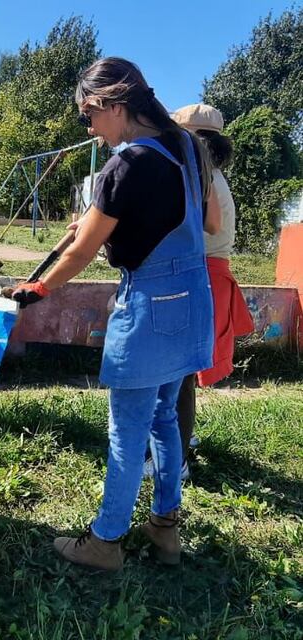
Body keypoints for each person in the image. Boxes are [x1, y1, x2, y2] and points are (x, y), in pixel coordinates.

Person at [11, 57, 221, 570]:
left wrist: (38, 289)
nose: (89, 129)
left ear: (113, 105)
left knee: (127, 431)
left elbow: (81, 252)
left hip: (149, 305)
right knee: (165, 419)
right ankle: (164, 529)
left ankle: (106, 541)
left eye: (88, 117)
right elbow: (208, 224)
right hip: (192, 300)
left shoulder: (126, 164)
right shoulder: (188, 148)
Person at [141, 104, 254, 479]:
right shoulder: (214, 175)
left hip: (196, 274)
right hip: (212, 275)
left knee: (174, 373)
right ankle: (177, 447)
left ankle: (172, 461)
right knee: (181, 372)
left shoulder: (195, 174)